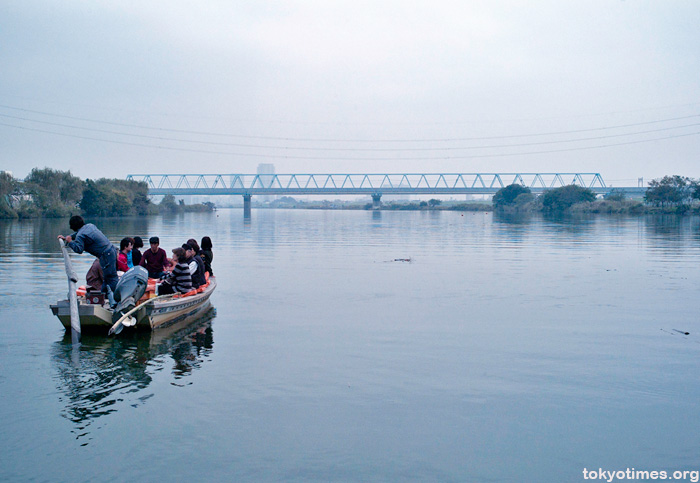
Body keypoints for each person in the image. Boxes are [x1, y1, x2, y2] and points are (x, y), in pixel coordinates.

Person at [58, 215, 118, 293]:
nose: (70, 228)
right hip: (112, 250)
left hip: (105, 255)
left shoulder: (80, 235)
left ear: (74, 226)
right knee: (108, 278)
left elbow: (79, 249)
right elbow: (79, 235)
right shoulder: (90, 226)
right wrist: (68, 237)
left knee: (110, 278)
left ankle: (117, 298)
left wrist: (70, 242)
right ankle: (104, 297)